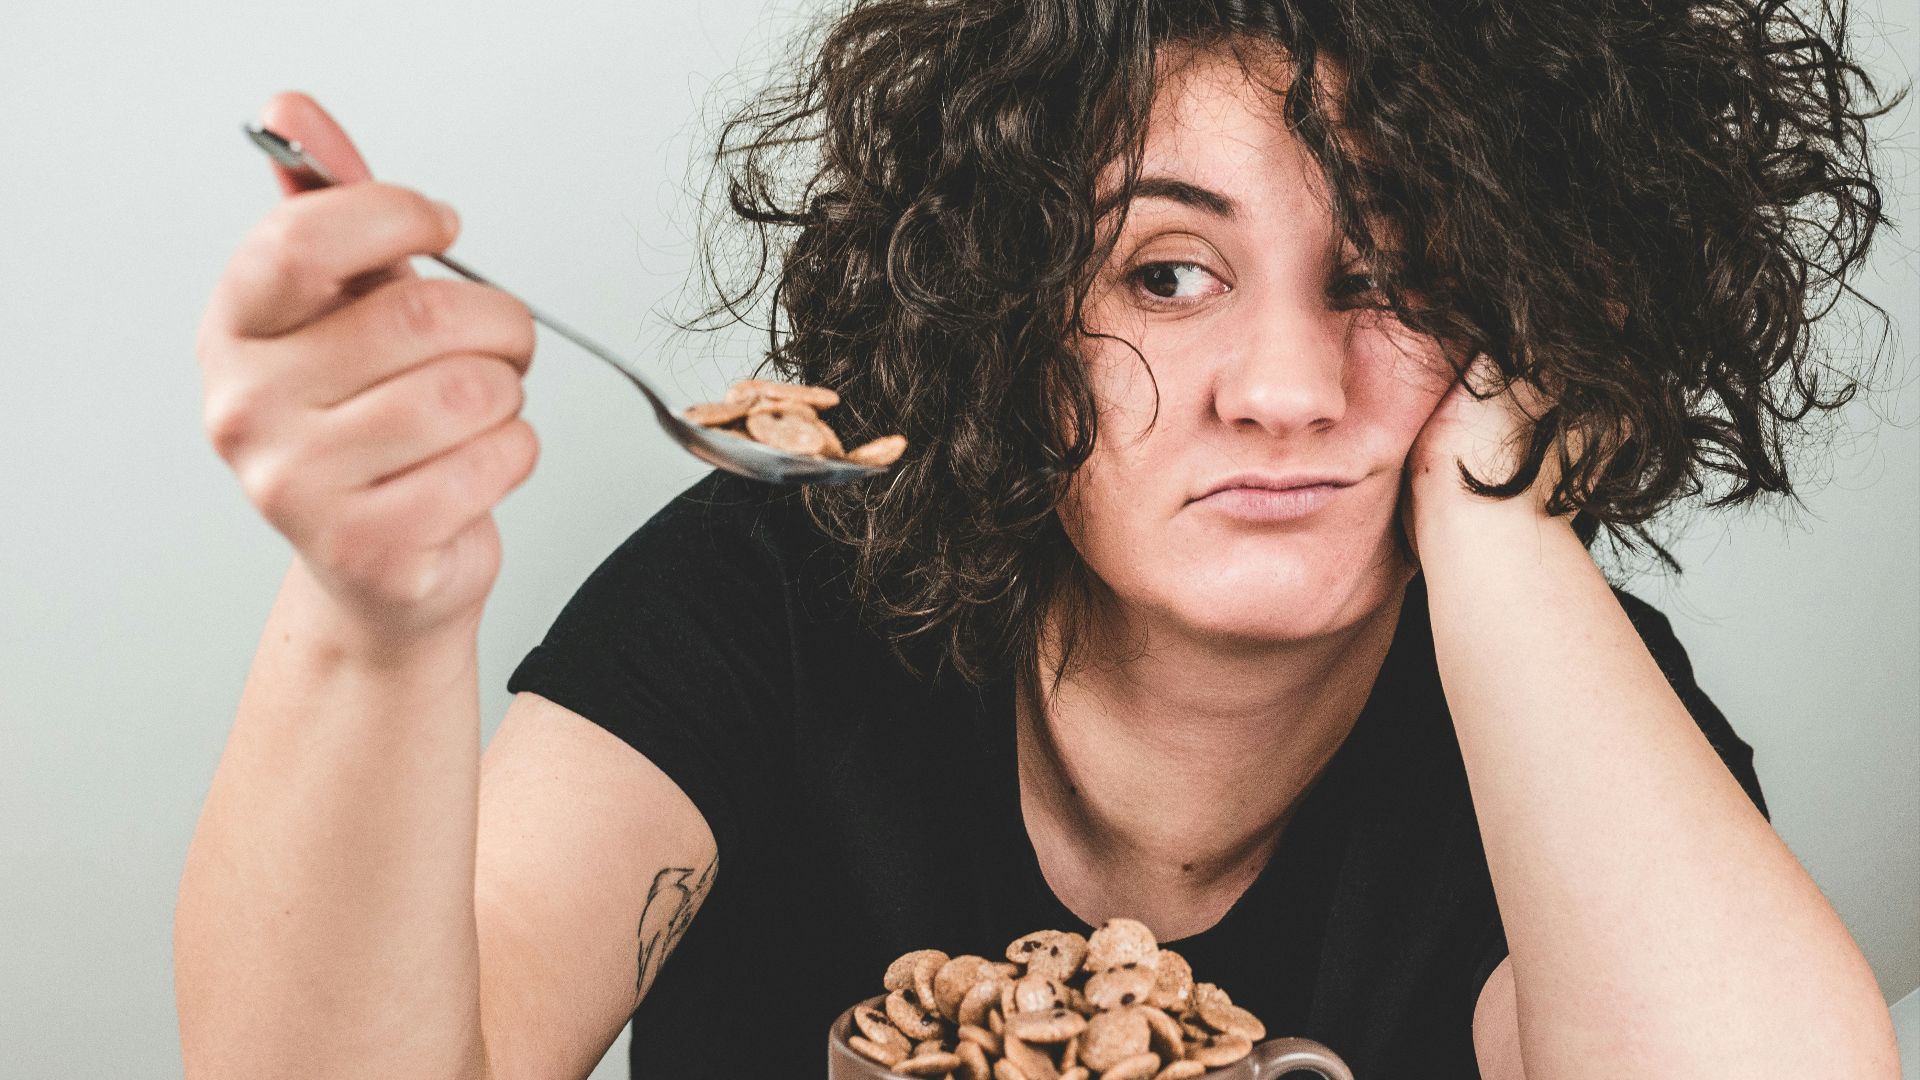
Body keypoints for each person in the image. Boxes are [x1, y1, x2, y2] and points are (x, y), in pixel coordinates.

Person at [175, 0, 1904, 1077]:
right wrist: (368, 620)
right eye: (1167, 272)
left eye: (1394, 279)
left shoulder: (1555, 700)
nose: (1289, 388)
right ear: (1008, 306)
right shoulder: (775, 592)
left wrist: (1517, 521)